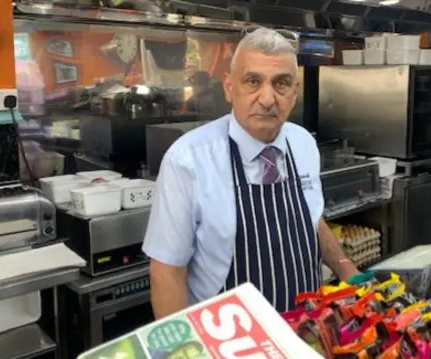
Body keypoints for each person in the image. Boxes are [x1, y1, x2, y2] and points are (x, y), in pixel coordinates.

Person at [143, 27, 359, 318]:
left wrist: (350, 274)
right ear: (230, 88)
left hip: (305, 331)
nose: (268, 99)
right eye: (253, 81)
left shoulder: (303, 144)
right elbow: (167, 271)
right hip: (228, 342)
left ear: (295, 91)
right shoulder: (188, 161)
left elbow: (311, 217)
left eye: (281, 84)